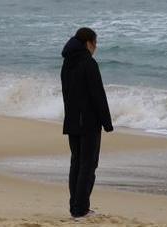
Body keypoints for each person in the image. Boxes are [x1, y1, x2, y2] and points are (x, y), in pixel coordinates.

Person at [60, 27, 113, 219]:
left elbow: (67, 93)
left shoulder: (67, 63)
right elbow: (98, 95)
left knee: (77, 164)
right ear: (88, 43)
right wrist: (107, 123)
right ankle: (80, 209)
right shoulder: (88, 63)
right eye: (95, 43)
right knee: (88, 166)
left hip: (72, 120)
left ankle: (76, 207)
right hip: (89, 122)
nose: (96, 47)